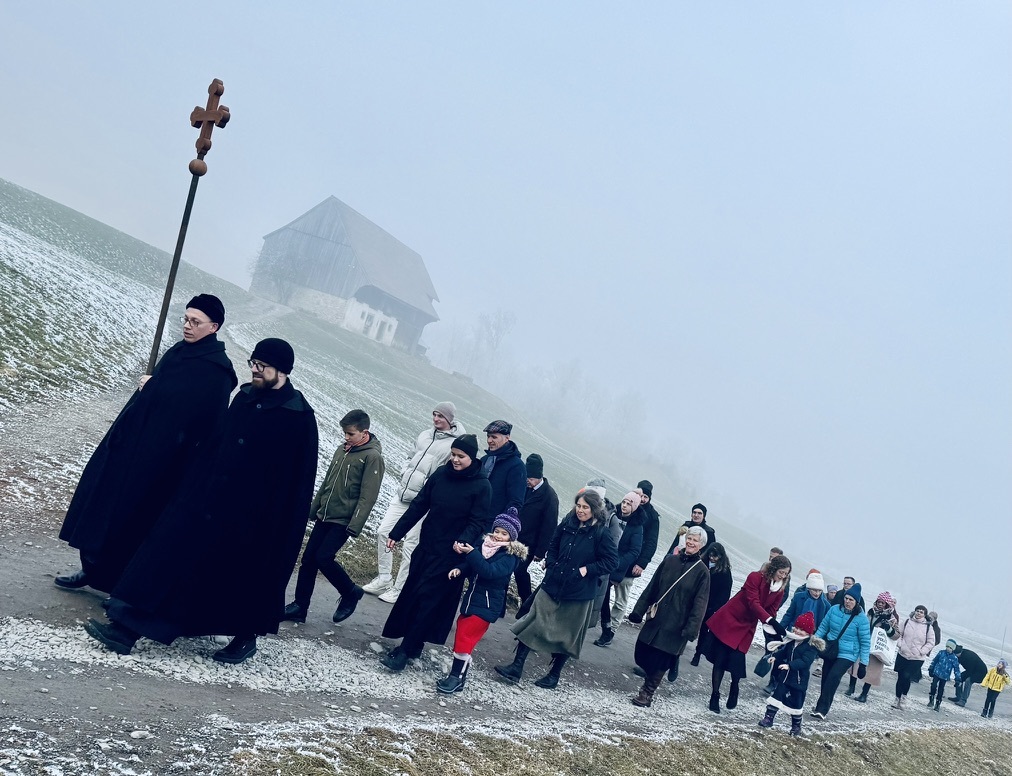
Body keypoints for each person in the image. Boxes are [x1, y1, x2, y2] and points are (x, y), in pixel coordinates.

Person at [84, 338, 318, 664]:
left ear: (281, 370)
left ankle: (245, 638)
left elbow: (297, 486)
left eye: (261, 366)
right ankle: (126, 628)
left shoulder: (299, 418)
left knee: (244, 582)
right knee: (171, 564)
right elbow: (216, 444)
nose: (254, 369)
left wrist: (276, 529)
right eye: (253, 362)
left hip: (252, 522)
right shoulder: (246, 397)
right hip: (209, 504)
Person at [56, 294, 238, 593]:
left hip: (163, 461)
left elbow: (199, 418)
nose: (188, 326)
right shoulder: (180, 351)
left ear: (213, 327)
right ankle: (92, 568)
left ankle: (117, 584)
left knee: (133, 518)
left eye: (196, 322)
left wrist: (155, 387)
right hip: (132, 445)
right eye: (186, 319)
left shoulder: (216, 370)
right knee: (104, 505)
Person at [379, 434, 490, 672]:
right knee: (413, 595)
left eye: (461, 456)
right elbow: (420, 504)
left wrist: (463, 540)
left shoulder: (482, 486)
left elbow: (478, 521)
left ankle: (406, 650)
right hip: (427, 546)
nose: (455, 460)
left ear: (472, 457)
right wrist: (396, 533)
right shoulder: (441, 475)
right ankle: (414, 642)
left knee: (428, 600)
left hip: (451, 555)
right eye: (453, 454)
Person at [495, 490, 618, 689]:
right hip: (553, 583)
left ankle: (554, 675)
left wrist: (587, 570)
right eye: (578, 506)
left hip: (578, 592)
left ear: (594, 509)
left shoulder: (601, 533)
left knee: (567, 636)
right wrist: (551, 563)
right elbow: (553, 544)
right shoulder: (568, 523)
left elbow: (612, 562)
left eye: (585, 507)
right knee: (534, 621)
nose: (580, 510)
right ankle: (516, 667)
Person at [283, 409, 385, 625]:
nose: (346, 437)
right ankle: (300, 606)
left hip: (344, 520)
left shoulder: (372, 457)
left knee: (323, 557)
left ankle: (350, 592)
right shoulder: (343, 450)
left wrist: (355, 524)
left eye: (350, 434)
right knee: (308, 560)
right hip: (326, 515)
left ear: (364, 433)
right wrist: (311, 511)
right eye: (344, 433)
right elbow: (327, 483)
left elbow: (369, 496)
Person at [362, 402, 463, 604]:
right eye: (434, 414)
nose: (436, 419)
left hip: (424, 503)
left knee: (410, 545)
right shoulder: (425, 435)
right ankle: (384, 578)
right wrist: (404, 473)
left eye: (441, 416)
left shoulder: (455, 443)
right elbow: (410, 456)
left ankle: (399, 589)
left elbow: (448, 473)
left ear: (450, 420)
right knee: (384, 532)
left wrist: (427, 489)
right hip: (403, 495)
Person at [435, 508, 527, 694]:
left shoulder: (510, 556)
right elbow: (473, 566)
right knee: (463, 634)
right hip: (473, 600)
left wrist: (471, 554)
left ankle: (455, 677)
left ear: (511, 537)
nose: (498, 536)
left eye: (504, 533)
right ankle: (459, 678)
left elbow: (489, 572)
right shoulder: (485, 547)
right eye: (497, 531)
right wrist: (461, 569)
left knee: (465, 638)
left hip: (487, 604)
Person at [626, 525, 710, 707]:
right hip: (657, 618)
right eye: (689, 538)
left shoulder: (702, 572)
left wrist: (691, 629)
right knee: (641, 653)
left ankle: (646, 694)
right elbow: (652, 587)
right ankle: (670, 664)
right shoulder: (670, 561)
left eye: (695, 540)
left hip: (677, 625)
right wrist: (638, 611)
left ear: (701, 545)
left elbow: (700, 604)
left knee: (661, 660)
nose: (691, 542)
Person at [704, 554, 792, 713]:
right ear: (774, 568)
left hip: (747, 625)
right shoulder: (755, 577)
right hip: (731, 619)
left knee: (737, 661)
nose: (783, 576)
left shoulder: (779, 589)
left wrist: (774, 633)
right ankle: (715, 695)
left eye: (786, 574)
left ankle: (734, 687)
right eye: (782, 572)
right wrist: (770, 621)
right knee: (720, 659)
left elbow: (771, 611)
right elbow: (753, 603)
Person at [810, 583, 870, 720]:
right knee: (825, 678)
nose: (848, 602)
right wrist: (814, 642)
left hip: (848, 654)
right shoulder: (834, 609)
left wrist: (863, 664)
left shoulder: (861, 619)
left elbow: (865, 643)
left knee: (833, 677)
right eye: (846, 598)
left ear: (857, 602)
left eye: (851, 600)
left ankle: (822, 710)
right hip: (831, 649)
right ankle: (821, 705)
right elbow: (823, 627)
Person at [758, 611, 823, 737]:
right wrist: (775, 657)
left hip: (798, 681)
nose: (798, 631)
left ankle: (796, 726)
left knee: (796, 705)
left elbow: (805, 661)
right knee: (776, 698)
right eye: (797, 628)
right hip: (785, 678)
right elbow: (784, 652)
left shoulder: (810, 647)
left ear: (809, 632)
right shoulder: (791, 641)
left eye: (802, 630)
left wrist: (790, 665)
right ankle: (768, 718)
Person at [594, 491, 645, 647]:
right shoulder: (613, 516)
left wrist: (617, 563)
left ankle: (606, 630)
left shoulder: (637, 527)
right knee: (600, 596)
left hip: (616, 567)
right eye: (624, 502)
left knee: (602, 596)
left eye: (629, 504)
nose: (625, 506)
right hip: (602, 560)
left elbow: (635, 551)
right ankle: (605, 630)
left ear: (635, 506)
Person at [767, 572, 829, 694]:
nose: (817, 593)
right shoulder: (799, 597)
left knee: (800, 661)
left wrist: (817, 640)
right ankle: (773, 682)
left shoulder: (825, 604)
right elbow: (790, 614)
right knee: (782, 656)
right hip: (793, 632)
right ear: (809, 588)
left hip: (809, 638)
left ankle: (790, 686)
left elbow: (824, 624)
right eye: (814, 590)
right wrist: (780, 628)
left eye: (819, 591)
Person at [511, 453, 559, 607]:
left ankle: (527, 603)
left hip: (530, 544)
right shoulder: (524, 487)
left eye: (531, 479)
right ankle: (499, 608)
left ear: (539, 477)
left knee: (519, 571)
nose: (528, 481)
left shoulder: (550, 496)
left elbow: (549, 526)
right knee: (505, 569)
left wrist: (541, 551)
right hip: (513, 537)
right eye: (527, 478)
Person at [845, 590, 899, 703]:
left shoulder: (891, 618)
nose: (880, 604)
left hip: (877, 647)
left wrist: (888, 628)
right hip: (864, 642)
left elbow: (897, 635)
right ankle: (851, 687)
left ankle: (864, 694)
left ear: (887, 604)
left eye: (883, 603)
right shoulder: (870, 612)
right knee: (856, 665)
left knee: (872, 671)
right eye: (879, 602)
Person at [689, 542, 733, 667]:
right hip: (695, 601)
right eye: (711, 555)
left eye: (716, 556)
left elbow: (725, 594)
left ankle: (697, 654)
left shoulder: (724, 572)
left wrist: (715, 608)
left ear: (721, 556)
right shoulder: (700, 563)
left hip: (709, 606)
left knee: (703, 630)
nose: (713, 558)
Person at [891, 604, 937, 710]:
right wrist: (900, 644)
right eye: (917, 611)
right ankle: (896, 698)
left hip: (917, 658)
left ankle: (903, 697)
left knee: (907, 676)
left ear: (925, 614)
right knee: (900, 677)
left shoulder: (928, 627)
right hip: (903, 654)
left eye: (921, 612)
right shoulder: (907, 622)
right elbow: (899, 633)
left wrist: (922, 651)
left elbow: (931, 642)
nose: (919, 613)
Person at [480, 420, 526, 521]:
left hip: (491, 526)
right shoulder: (485, 459)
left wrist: (500, 527)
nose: (489, 440)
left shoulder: (517, 466)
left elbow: (515, 502)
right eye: (488, 436)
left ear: (507, 438)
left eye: (494, 437)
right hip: (473, 520)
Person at [629, 480, 660, 579]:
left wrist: (642, 563)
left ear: (649, 498)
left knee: (623, 590)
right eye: (640, 495)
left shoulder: (653, 517)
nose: (642, 499)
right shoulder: (626, 505)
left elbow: (651, 543)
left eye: (645, 497)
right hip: (615, 556)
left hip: (634, 562)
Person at [927, 639, 961, 711]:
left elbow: (956, 669)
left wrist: (957, 678)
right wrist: (931, 668)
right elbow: (935, 660)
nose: (948, 648)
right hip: (937, 673)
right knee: (933, 685)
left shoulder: (954, 658)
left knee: (941, 689)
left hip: (945, 676)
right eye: (947, 647)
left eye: (950, 648)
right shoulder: (941, 653)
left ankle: (938, 704)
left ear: (953, 649)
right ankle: (931, 700)